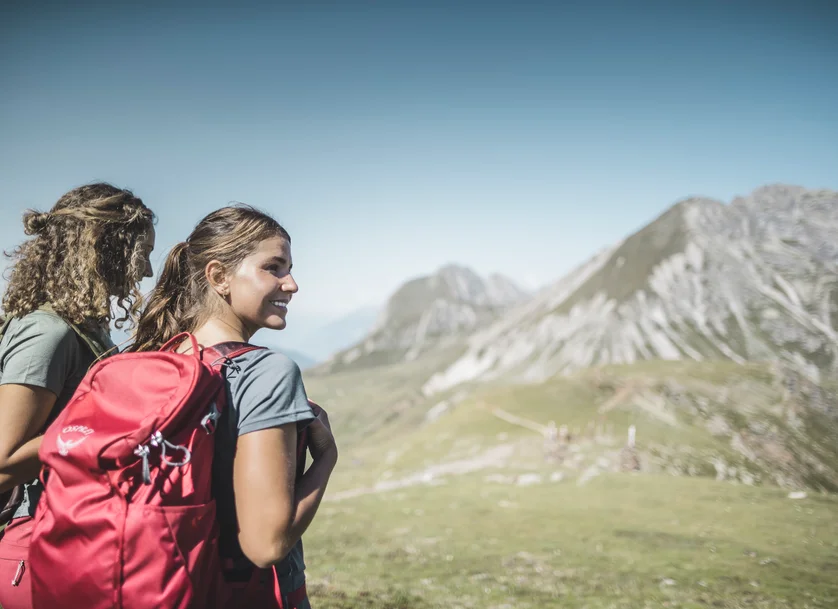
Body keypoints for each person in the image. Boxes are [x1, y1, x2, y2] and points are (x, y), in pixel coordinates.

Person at [129, 204, 337, 608]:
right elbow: (266, 545)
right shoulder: (266, 371)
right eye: (273, 267)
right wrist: (327, 457)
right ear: (219, 276)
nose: (291, 284)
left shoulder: (148, 359)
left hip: (165, 586)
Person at [0, 183, 155, 608]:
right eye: (142, 254)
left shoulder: (84, 328)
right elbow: (3, 460)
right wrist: (104, 428)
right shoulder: (47, 332)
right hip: (35, 549)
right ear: (104, 248)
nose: (145, 272)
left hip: (68, 538)